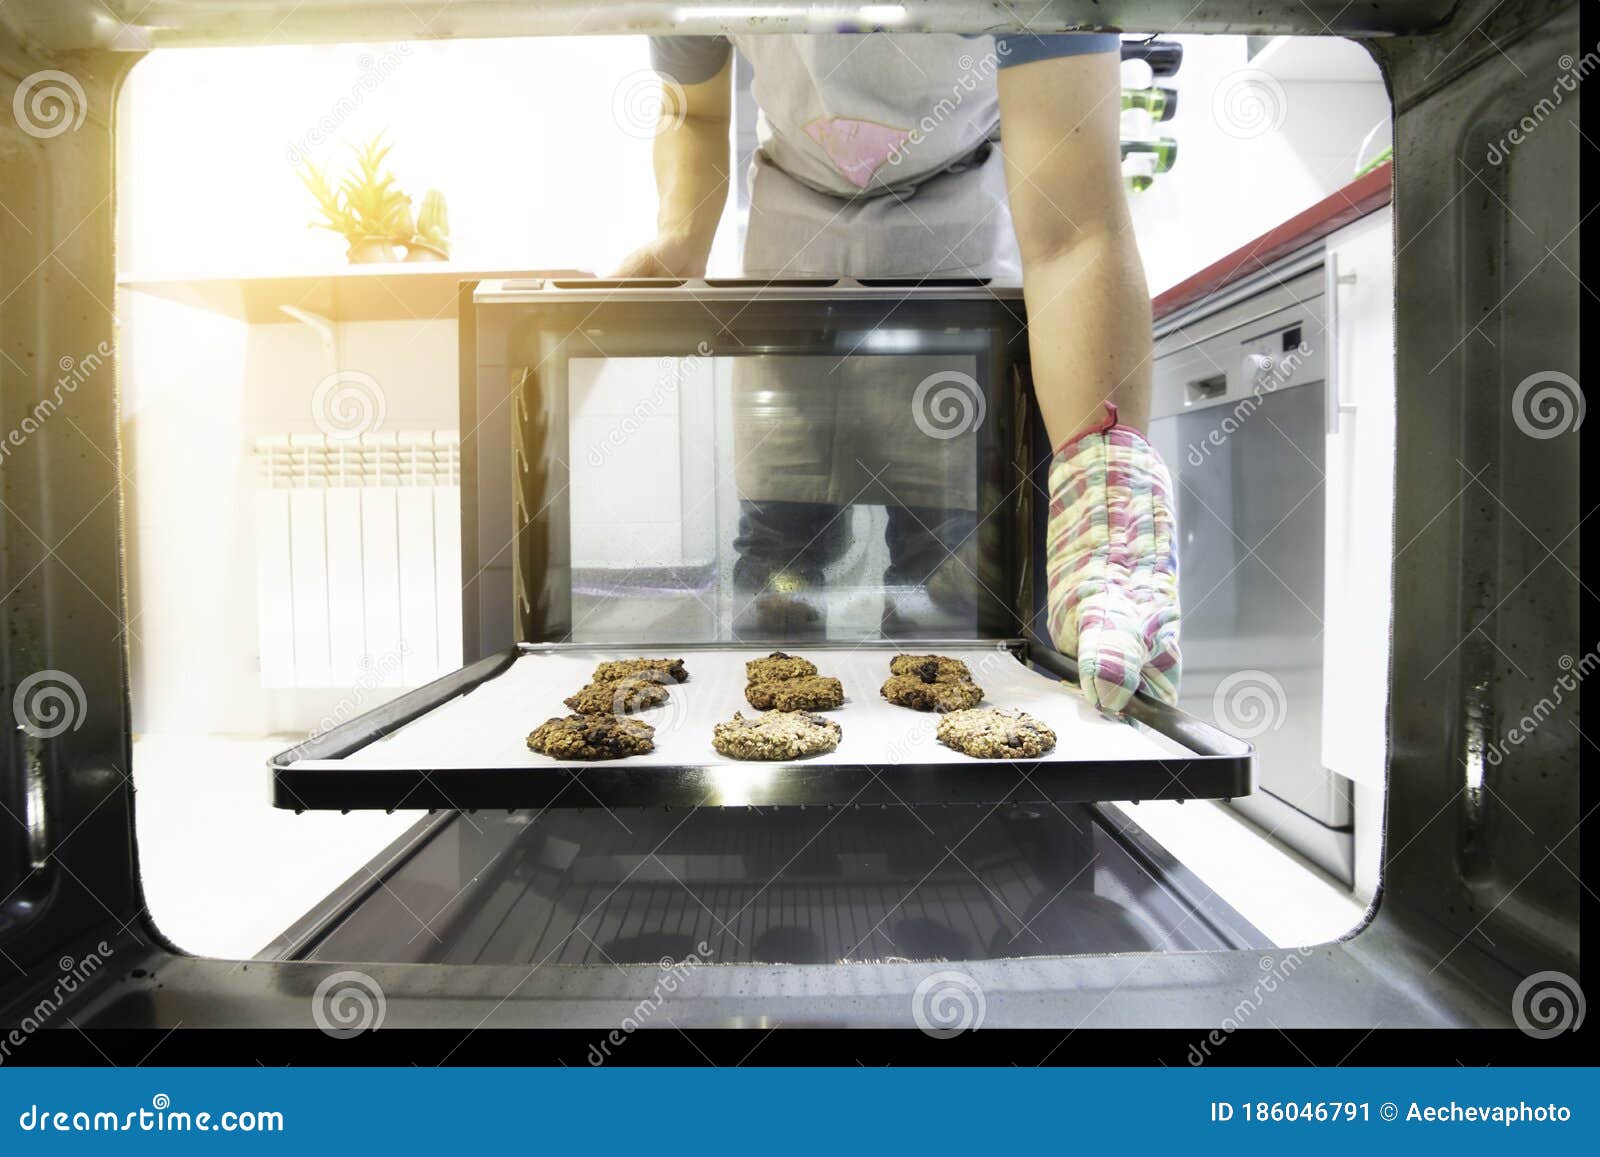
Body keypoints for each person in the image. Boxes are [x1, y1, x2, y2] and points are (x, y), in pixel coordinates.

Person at [618, 31, 1179, 712]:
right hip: (794, 248)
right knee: (779, 574)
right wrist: (680, 236)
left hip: (954, 239)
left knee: (945, 588)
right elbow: (694, 110)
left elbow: (1074, 224)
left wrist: (1105, 515)